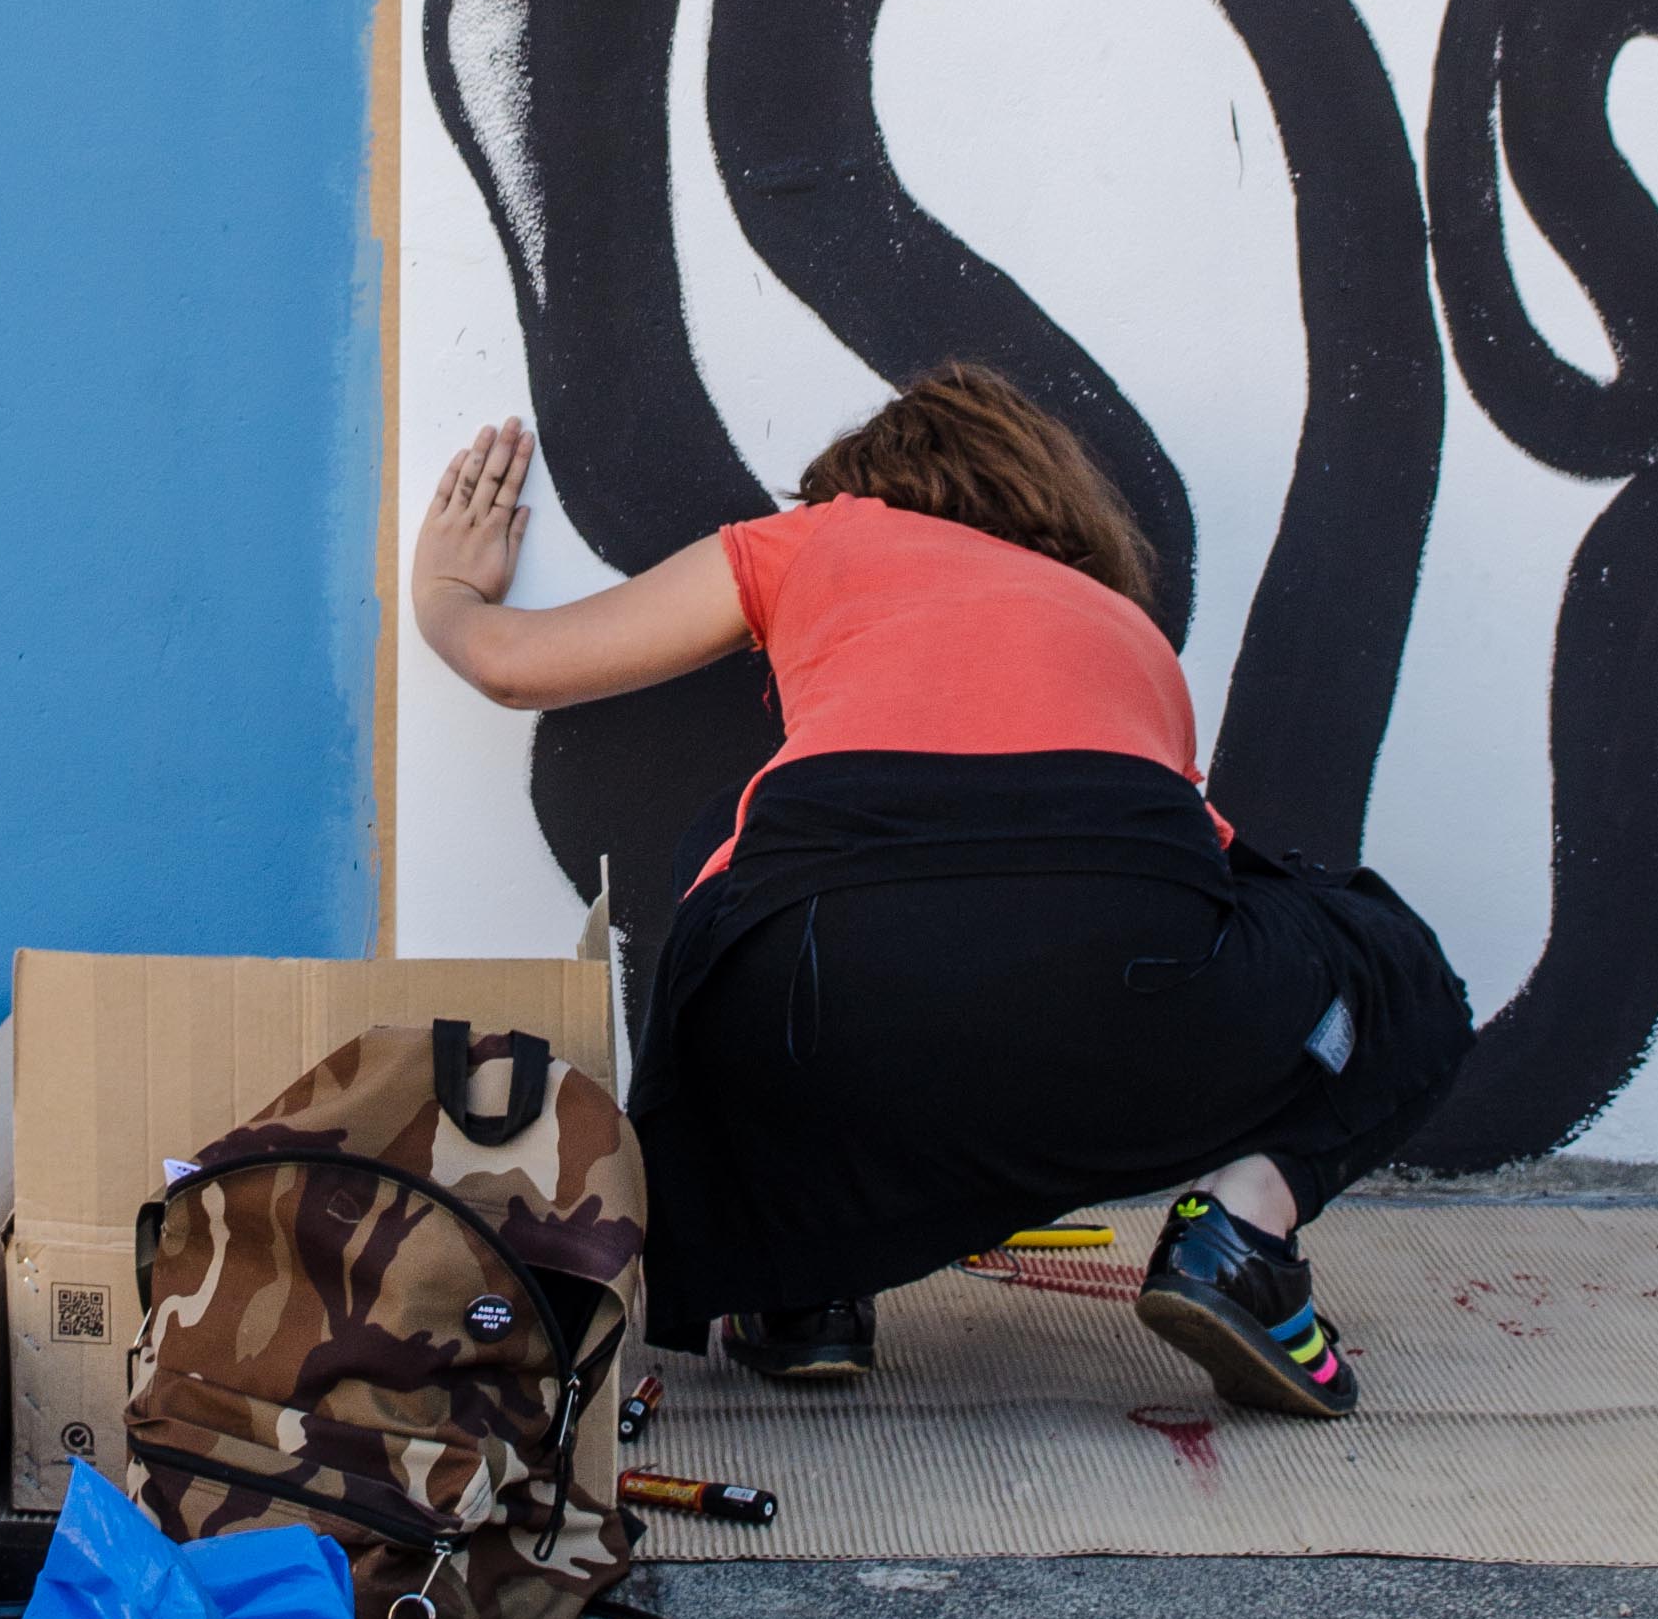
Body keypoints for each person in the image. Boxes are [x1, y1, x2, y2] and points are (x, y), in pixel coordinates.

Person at [410, 365, 1473, 1416]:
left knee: (741, 863)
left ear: (856, 488)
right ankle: (1240, 1234)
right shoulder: (1122, 625)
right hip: (1123, 982)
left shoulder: (817, 536)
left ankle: (796, 1285)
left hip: (817, 983)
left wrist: (448, 594)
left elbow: (515, 664)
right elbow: (1201, 866)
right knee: (1386, 956)